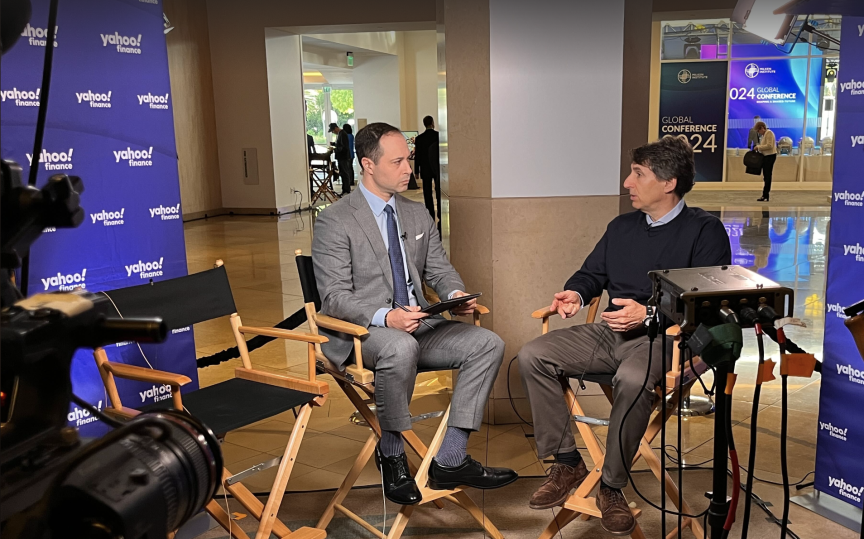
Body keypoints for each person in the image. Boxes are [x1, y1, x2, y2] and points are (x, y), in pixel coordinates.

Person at [517, 136, 731, 536]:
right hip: (610, 332)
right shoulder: (621, 227)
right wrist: (575, 294)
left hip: (665, 338)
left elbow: (706, 302)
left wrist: (648, 312)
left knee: (632, 379)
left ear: (669, 183)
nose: (627, 182)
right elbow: (592, 274)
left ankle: (611, 486)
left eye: (638, 174)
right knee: (532, 355)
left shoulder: (706, 231)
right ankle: (567, 462)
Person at [312, 122, 518, 505]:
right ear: (367, 165)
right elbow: (334, 296)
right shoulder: (335, 220)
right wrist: (384, 317)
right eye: (399, 161)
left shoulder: (417, 214)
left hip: (421, 324)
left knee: (489, 343)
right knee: (399, 348)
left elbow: (438, 269)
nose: (410, 168)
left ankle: (451, 458)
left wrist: (454, 293)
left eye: (408, 159)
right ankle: (391, 454)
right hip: (364, 334)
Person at [414, 116, 441, 231]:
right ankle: (440, 212)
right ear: (432, 123)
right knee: (439, 191)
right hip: (437, 168)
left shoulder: (419, 139)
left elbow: (417, 156)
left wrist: (416, 171)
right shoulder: (438, 136)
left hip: (425, 169)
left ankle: (430, 213)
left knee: (427, 192)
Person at [754, 121, 776, 202]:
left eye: (758, 131)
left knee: (767, 176)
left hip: (770, 156)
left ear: (762, 128)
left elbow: (769, 146)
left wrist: (759, 147)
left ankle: (765, 195)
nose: (759, 133)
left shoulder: (769, 133)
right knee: (766, 176)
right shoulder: (765, 134)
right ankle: (765, 194)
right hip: (766, 156)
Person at [329, 122, 351, 195]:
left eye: (332, 130)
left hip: (343, 157)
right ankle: (344, 189)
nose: (333, 132)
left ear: (336, 128)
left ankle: (347, 190)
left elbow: (344, 147)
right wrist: (334, 144)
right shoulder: (339, 134)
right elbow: (340, 144)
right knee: (342, 173)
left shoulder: (343, 134)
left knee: (345, 173)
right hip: (341, 157)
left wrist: (335, 149)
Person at [343, 123, 356, 191]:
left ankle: (349, 181)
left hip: (347, 154)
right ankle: (352, 181)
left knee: (347, 169)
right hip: (352, 154)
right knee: (350, 168)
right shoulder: (351, 136)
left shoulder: (345, 136)